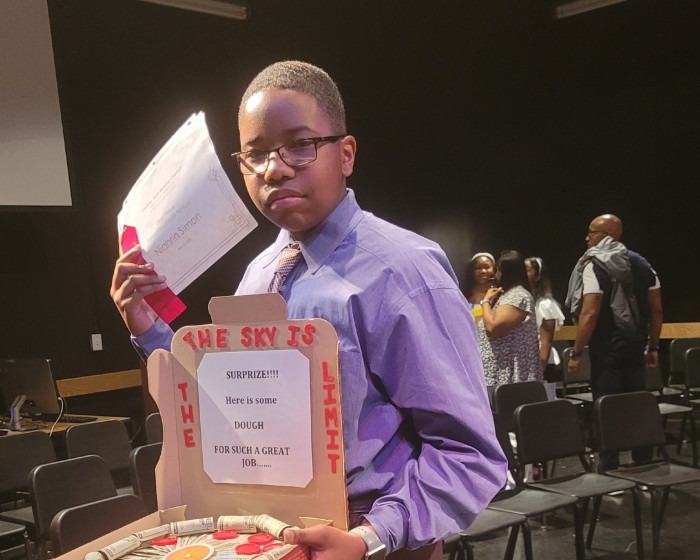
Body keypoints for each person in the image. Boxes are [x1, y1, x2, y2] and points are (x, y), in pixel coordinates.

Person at [111, 61, 506, 560]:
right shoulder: (258, 275)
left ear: (346, 154)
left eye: (300, 144)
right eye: (255, 154)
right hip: (270, 539)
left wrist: (369, 538)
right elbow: (225, 409)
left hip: (377, 542)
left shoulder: (403, 272)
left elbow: (469, 454)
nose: (274, 169)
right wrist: (150, 330)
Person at [565, 213, 662, 469]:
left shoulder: (594, 265)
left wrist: (576, 352)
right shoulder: (644, 265)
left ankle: (610, 466)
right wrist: (653, 346)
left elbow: (590, 312)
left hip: (606, 347)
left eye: (591, 232)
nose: (587, 238)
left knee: (606, 407)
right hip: (635, 344)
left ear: (607, 235)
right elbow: (656, 310)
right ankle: (643, 462)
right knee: (636, 404)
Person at [477, 250, 541, 386]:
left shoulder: (518, 295)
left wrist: (485, 302)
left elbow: (494, 328)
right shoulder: (506, 295)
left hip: (508, 377)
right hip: (495, 374)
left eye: (498, 270)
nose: (495, 275)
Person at [525, 256, 566, 380]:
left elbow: (546, 341)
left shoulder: (544, 305)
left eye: (527, 270)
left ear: (537, 276)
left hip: (541, 362)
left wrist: (540, 372)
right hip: (524, 361)